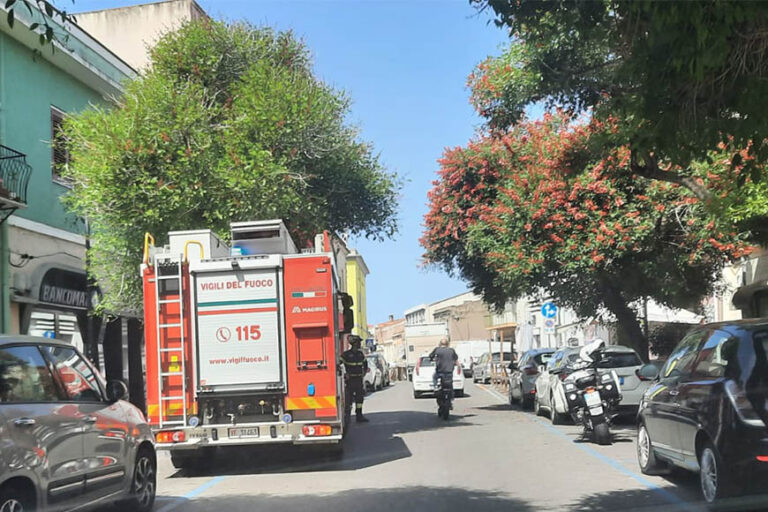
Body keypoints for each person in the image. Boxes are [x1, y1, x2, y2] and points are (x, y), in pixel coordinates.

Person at [340, 335, 369, 423]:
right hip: (350, 380)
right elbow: (339, 364)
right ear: (355, 343)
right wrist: (345, 374)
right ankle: (347, 417)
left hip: (359, 379)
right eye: (359, 342)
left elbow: (365, 363)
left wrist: (364, 372)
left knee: (359, 398)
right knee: (348, 399)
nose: (360, 344)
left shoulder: (360, 354)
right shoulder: (346, 354)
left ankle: (359, 416)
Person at [429, 338, 459, 404]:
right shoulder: (451, 350)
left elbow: (430, 356)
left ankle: (436, 387)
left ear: (440, 343)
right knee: (450, 384)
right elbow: (456, 358)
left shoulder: (437, 350)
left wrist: (432, 359)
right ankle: (452, 397)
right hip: (449, 371)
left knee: (434, 377)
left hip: (440, 371)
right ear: (447, 344)